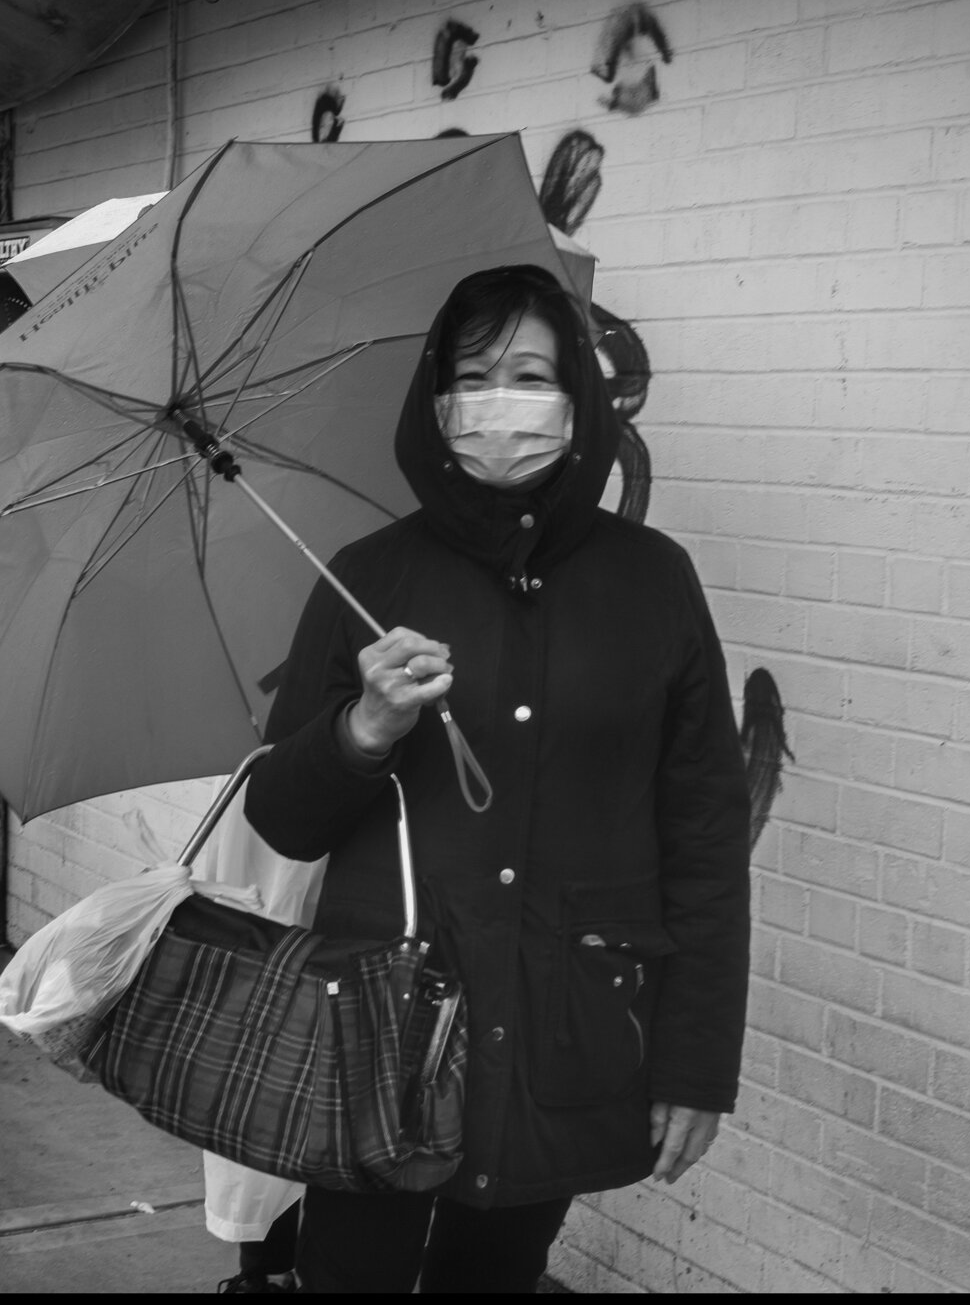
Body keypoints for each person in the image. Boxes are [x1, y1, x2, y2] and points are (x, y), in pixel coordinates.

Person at [243, 265, 751, 1293]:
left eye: (530, 372)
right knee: (349, 1276)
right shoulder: (369, 576)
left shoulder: (651, 579)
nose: (500, 401)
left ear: (578, 399)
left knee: (499, 1273)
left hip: (566, 1018)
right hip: (380, 1025)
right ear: (437, 403)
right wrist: (364, 726)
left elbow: (701, 831)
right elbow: (282, 817)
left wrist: (696, 1064)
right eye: (474, 375)